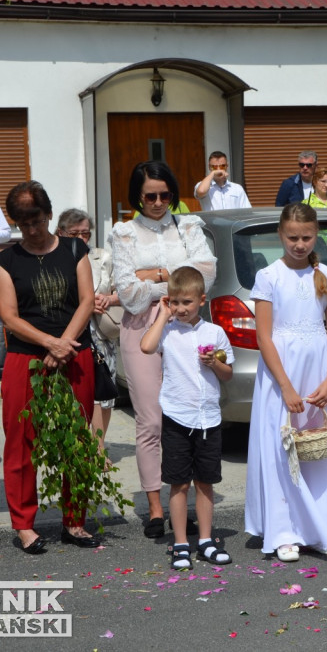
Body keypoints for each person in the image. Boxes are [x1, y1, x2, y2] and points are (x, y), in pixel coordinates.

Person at [244, 203, 327, 561]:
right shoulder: (268, 276)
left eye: (306, 237)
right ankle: (285, 528)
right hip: (282, 372)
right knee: (284, 447)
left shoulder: (326, 272)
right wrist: (285, 387)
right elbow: (264, 337)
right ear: (280, 236)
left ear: (316, 236)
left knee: (322, 447)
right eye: (293, 237)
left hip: (318, 367)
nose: (299, 244)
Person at [110, 161, 217, 538]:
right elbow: (128, 294)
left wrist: (152, 276)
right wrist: (172, 278)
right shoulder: (122, 233)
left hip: (186, 326)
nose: (158, 202)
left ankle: (180, 500)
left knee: (184, 415)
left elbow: (206, 274)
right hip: (141, 329)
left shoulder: (188, 225)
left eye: (165, 195)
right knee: (151, 420)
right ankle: (155, 506)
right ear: (137, 197)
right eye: (150, 196)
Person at [0, 181, 100, 553]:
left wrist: (63, 344)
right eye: (23, 224)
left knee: (77, 440)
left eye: (36, 220)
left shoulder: (75, 248)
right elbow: (8, 316)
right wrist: (47, 344)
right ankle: (24, 524)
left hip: (75, 354)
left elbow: (86, 300)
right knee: (21, 442)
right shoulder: (6, 260)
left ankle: (75, 521)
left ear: (49, 214)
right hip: (26, 359)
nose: (32, 230)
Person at [140, 266, 234, 569]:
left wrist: (213, 364)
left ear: (201, 301)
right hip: (177, 418)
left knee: (205, 482)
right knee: (178, 483)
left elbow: (227, 373)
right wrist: (162, 315)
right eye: (174, 302)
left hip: (208, 419)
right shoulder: (167, 331)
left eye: (186, 303)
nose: (180, 309)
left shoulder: (214, 333)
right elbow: (146, 346)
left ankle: (205, 540)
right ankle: (180, 543)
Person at [56, 209, 119, 465]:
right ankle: (88, 446)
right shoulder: (55, 257)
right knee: (81, 392)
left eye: (86, 233)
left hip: (104, 331)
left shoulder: (101, 256)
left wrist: (109, 298)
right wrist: (86, 303)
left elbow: (120, 288)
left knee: (106, 392)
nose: (82, 238)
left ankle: (98, 446)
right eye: (75, 233)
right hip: (73, 332)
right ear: (61, 233)